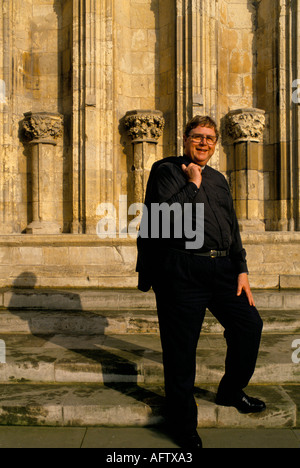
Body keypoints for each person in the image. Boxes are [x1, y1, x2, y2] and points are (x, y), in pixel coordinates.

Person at [136, 115, 265, 450]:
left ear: (216, 142)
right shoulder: (165, 171)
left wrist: (242, 269)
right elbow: (163, 219)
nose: (204, 142)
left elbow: (231, 226)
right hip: (182, 272)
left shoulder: (219, 179)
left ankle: (230, 391)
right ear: (185, 139)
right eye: (197, 136)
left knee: (249, 326)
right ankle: (183, 424)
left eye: (210, 137)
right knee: (180, 353)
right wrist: (191, 184)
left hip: (223, 270)